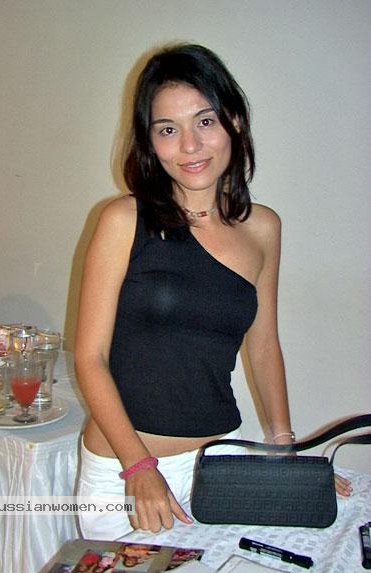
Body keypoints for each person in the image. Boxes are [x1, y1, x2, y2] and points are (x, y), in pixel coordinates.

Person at [74, 43, 352, 540]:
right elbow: (89, 358)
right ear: (149, 141)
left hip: (217, 468)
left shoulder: (263, 228)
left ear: (234, 122)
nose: (190, 146)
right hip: (125, 476)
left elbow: (263, 345)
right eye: (167, 129)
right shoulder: (124, 219)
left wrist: (284, 450)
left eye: (205, 122)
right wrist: (138, 467)